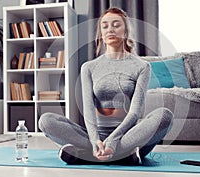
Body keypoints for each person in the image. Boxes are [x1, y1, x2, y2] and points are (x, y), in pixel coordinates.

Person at [39, 7, 173, 165]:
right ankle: (119, 155)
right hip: (94, 138)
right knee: (46, 120)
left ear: (126, 31)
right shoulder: (89, 67)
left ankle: (89, 155)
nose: (110, 29)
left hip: (128, 137)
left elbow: (135, 112)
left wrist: (113, 141)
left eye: (116, 25)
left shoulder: (142, 66)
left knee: (165, 116)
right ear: (100, 33)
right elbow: (88, 110)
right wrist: (96, 140)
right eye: (105, 26)